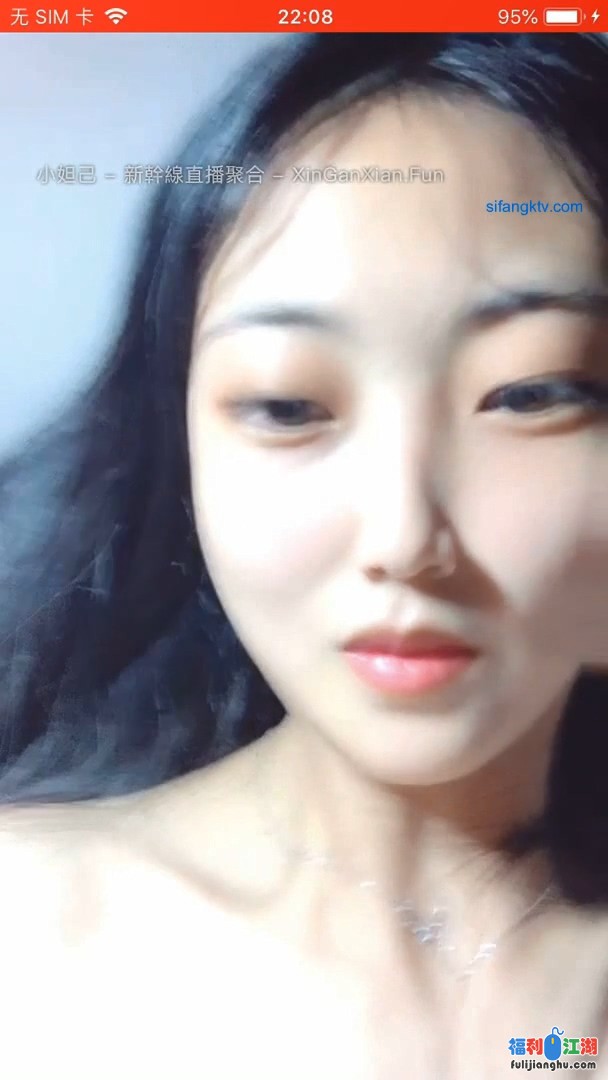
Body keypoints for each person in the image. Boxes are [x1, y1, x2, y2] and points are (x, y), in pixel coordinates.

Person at [0, 31, 607, 1079]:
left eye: (529, 392)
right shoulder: (28, 937)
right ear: (181, 449)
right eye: (287, 406)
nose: (403, 539)